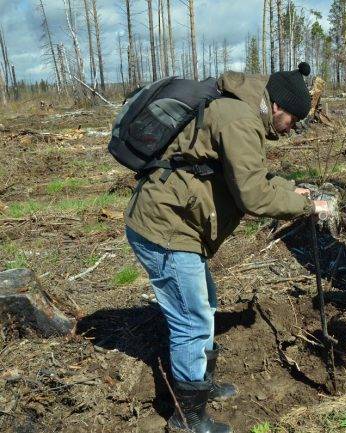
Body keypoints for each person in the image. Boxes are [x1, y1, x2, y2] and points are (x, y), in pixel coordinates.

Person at [124, 63, 334, 433]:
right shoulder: (240, 119)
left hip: (181, 222)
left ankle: (201, 384)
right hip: (167, 228)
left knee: (206, 304)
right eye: (293, 121)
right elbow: (253, 195)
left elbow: (248, 174)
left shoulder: (240, 109)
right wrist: (308, 206)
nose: (292, 130)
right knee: (192, 320)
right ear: (279, 108)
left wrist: (289, 190)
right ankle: (187, 416)